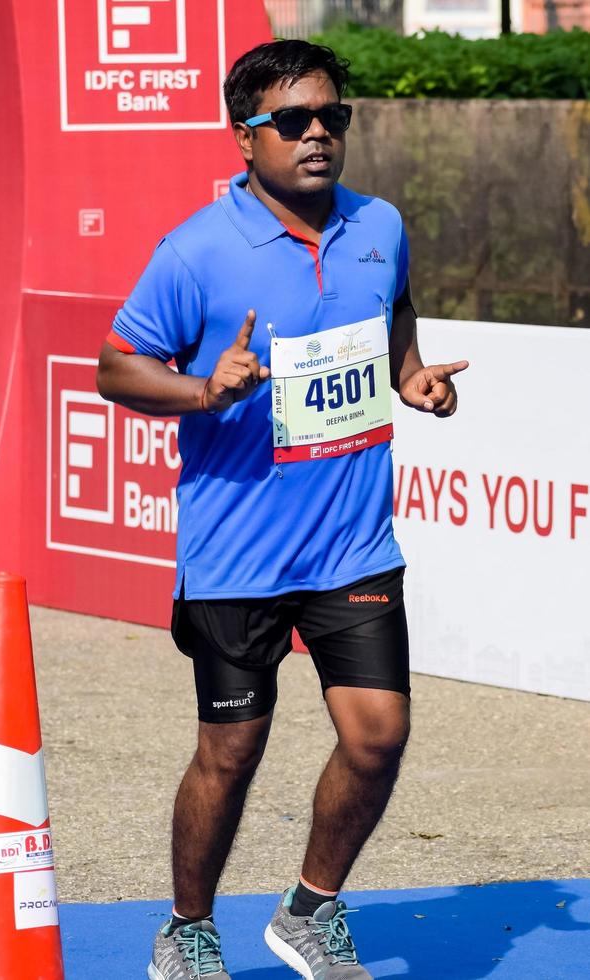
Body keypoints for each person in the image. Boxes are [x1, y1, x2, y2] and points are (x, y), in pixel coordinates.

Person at [97, 38, 468, 980]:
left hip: (353, 545)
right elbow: (115, 367)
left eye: (331, 118)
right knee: (230, 754)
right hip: (238, 554)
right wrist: (203, 393)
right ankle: (188, 929)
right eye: (291, 121)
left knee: (379, 738)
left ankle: (310, 908)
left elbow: (394, 313)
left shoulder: (380, 222)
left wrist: (411, 375)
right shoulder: (195, 251)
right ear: (243, 136)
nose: (316, 135)